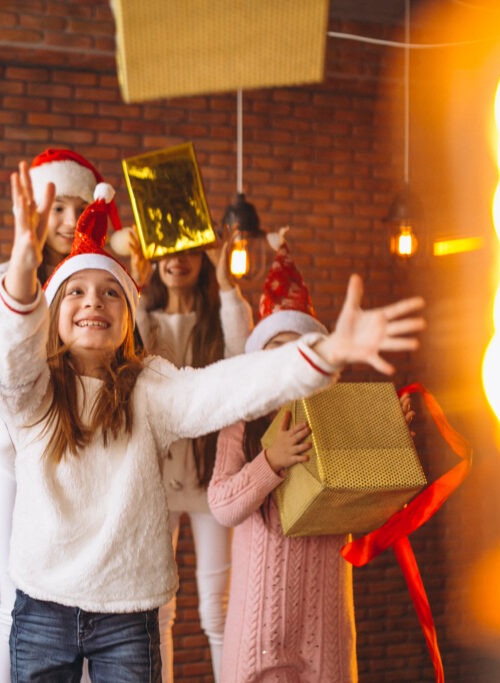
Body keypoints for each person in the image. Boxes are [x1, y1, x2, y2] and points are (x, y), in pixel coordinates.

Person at [0, 162, 425, 682]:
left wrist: (324, 352)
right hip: (43, 604)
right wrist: (22, 261)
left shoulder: (151, 388)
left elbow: (228, 387)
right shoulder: (31, 389)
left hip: (128, 612)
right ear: (54, 310)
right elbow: (10, 353)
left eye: (109, 292)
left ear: (128, 317)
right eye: (76, 292)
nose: (93, 302)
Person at [206, 234, 413, 683]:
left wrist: (388, 440)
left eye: (299, 349)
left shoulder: (337, 416)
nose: (287, 361)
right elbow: (221, 505)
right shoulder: (241, 419)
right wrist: (270, 462)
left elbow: (371, 512)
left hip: (326, 630)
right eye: (275, 349)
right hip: (258, 634)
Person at [0, 148, 107, 681]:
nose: (63, 220)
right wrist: (3, 391)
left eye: (76, 209)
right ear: (33, 210)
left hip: (77, 457)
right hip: (11, 457)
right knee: (17, 599)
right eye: (54, 207)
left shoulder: (97, 288)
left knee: (80, 598)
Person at [132, 238, 252, 682]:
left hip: (211, 480)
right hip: (154, 483)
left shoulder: (218, 320)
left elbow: (245, 362)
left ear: (204, 258)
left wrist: (227, 286)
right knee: (158, 611)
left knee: (215, 609)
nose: (176, 261)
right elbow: (126, 356)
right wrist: (134, 281)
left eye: (188, 251)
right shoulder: (145, 317)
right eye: (166, 252)